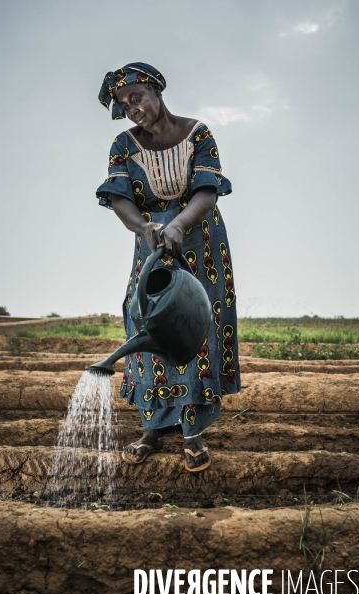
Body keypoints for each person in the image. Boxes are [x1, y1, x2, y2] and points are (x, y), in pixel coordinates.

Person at [96, 62, 240, 472]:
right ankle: (153, 426)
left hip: (201, 242)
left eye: (137, 98)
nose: (132, 108)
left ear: (157, 90)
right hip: (152, 242)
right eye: (124, 105)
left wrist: (179, 223)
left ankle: (192, 429)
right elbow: (119, 198)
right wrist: (145, 226)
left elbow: (207, 191)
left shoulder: (198, 133)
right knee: (145, 320)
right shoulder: (123, 145)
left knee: (194, 324)